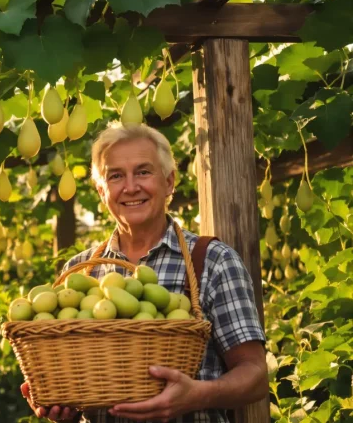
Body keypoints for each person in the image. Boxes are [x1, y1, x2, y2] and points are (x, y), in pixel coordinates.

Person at [21, 124, 268, 423]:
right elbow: (76, 380)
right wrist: (63, 405)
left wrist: (197, 395)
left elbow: (255, 375)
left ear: (169, 182)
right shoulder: (81, 273)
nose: (130, 187)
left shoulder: (213, 260)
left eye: (143, 172)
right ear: (102, 191)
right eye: (115, 176)